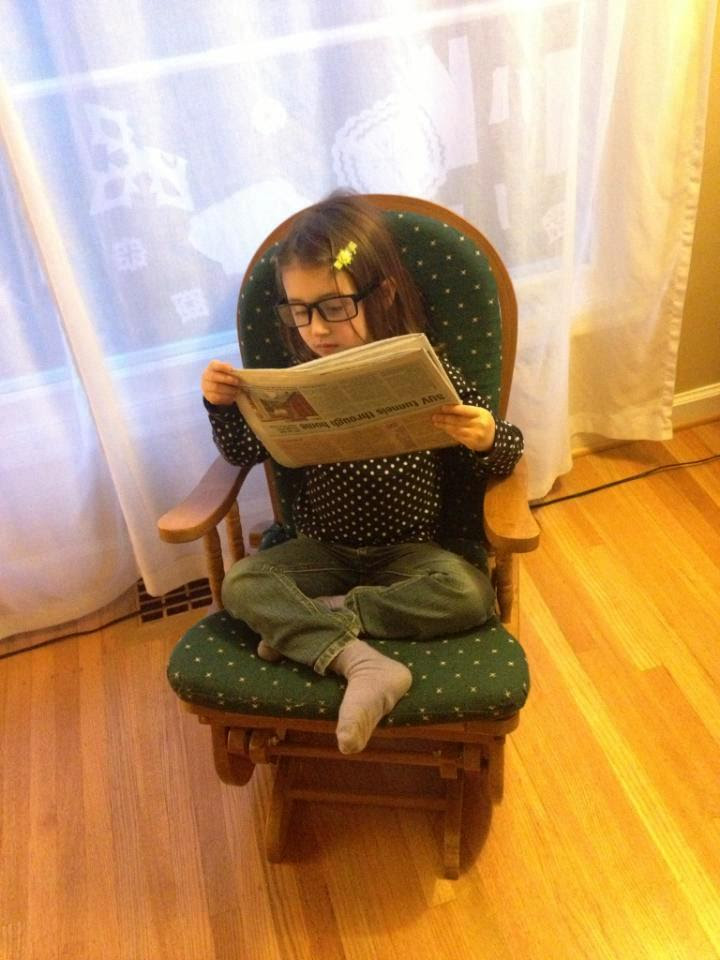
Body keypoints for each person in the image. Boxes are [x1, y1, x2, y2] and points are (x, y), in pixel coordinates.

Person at [201, 194, 523, 755]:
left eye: (333, 307)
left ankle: (310, 624)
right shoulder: (297, 378)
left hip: (410, 554)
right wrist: (220, 405)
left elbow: (508, 453)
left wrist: (488, 436)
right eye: (299, 311)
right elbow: (240, 452)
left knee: (469, 593)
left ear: (383, 294)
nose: (315, 329)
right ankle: (362, 662)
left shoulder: (426, 368)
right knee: (242, 585)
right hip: (322, 550)